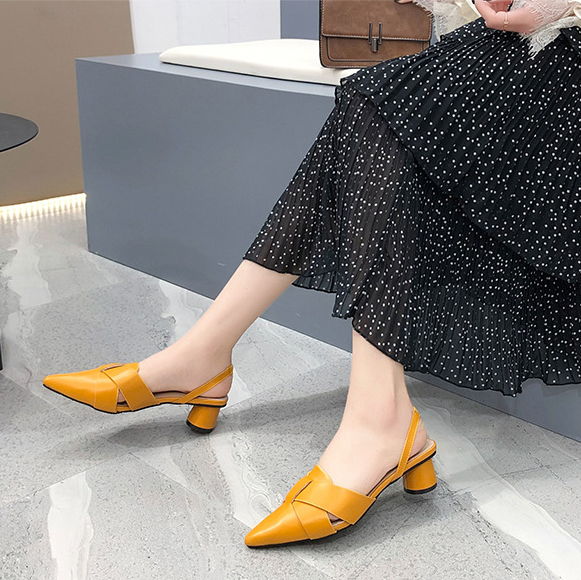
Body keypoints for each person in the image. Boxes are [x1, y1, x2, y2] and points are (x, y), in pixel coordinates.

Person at [43, 0, 580, 547]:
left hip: (563, 50)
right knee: (374, 102)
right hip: (509, 43)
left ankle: (223, 366)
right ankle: (354, 412)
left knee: (380, 105)